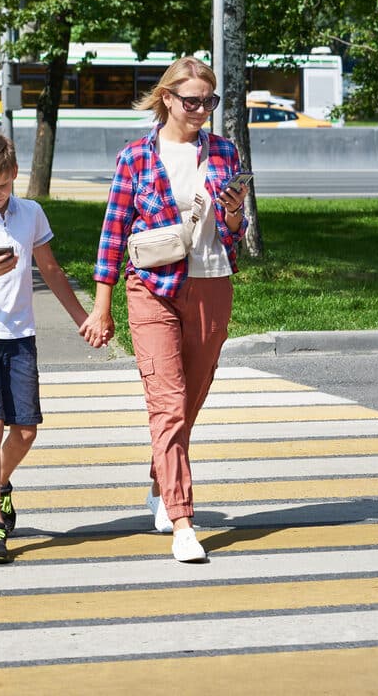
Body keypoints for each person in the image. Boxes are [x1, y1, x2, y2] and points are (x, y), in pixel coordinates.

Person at [80, 56, 250, 563]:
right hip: (151, 286)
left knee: (189, 403)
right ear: (168, 99)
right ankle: (183, 522)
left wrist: (236, 209)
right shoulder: (137, 155)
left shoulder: (223, 151)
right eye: (192, 100)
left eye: (209, 101)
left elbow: (234, 232)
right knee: (168, 404)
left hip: (212, 283)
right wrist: (101, 305)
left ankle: (161, 481)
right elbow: (113, 232)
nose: (201, 110)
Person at [0, 128, 92, 564]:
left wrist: (84, 318)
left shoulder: (31, 214)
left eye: (3, 185)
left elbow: (51, 270)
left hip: (19, 334)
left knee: (25, 429)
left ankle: (1, 482)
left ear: (14, 174)